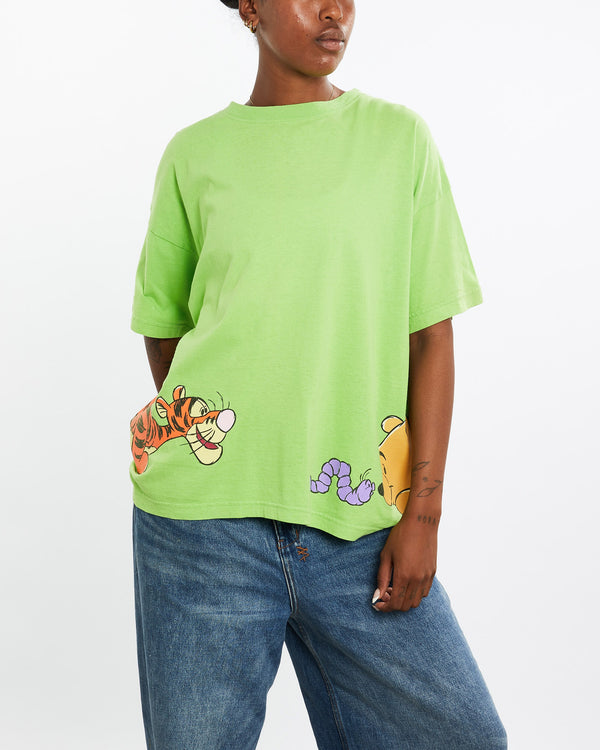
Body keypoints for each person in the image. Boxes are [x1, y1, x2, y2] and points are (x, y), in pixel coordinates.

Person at [129, 1, 508, 748]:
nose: (335, 11)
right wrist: (225, 435)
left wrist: (422, 516)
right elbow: (164, 328)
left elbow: (431, 337)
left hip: (359, 521)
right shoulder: (193, 155)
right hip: (204, 528)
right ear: (249, 7)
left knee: (464, 736)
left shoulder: (398, 141)